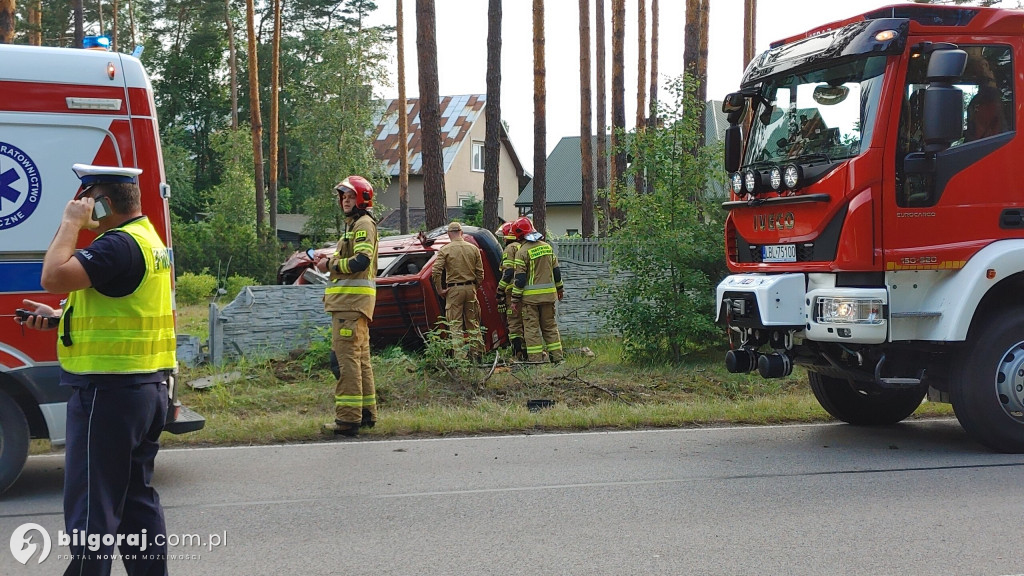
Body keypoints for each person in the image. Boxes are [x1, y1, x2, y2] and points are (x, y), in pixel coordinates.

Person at [18, 163, 174, 576]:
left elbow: (53, 275)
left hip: (108, 396)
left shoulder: (116, 245)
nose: (78, 208)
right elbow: (121, 306)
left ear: (101, 203)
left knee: (93, 511)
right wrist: (58, 317)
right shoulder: (146, 240)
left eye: (84, 200)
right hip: (146, 389)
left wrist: (70, 224)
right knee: (136, 503)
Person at [315, 175, 379, 437]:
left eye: (350, 196)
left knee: (344, 363)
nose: (345, 200)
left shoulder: (362, 224)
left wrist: (328, 265)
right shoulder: (356, 225)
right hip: (353, 308)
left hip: (349, 307)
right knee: (360, 361)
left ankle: (347, 420)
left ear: (362, 198)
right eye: (343, 196)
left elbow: (360, 261)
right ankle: (365, 415)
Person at [509, 217, 565, 363]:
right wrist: (560, 289)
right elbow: (557, 272)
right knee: (550, 327)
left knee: (532, 330)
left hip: (530, 300)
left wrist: (514, 300)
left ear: (519, 235)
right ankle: (558, 359)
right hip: (549, 297)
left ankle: (536, 361)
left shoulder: (522, 252)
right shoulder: (547, 247)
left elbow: (520, 280)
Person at [431, 221, 485, 359]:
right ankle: (477, 355)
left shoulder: (445, 250)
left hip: (453, 290)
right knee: (473, 323)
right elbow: (481, 274)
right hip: (471, 289)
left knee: (455, 325)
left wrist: (440, 290)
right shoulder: (473, 249)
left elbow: (436, 272)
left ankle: (460, 359)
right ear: (461, 233)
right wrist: (474, 287)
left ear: (449, 234)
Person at [495, 221, 526, 361]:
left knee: (514, 323)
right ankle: (529, 353)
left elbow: (508, 273)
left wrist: (500, 290)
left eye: (504, 236)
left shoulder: (510, 249)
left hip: (512, 292)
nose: (503, 239)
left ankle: (517, 354)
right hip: (526, 291)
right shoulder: (525, 246)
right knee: (527, 322)